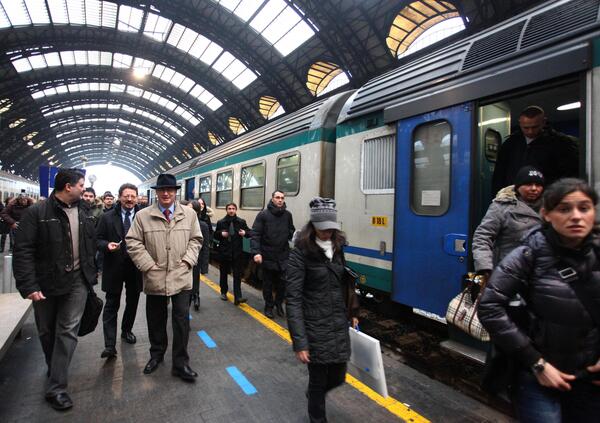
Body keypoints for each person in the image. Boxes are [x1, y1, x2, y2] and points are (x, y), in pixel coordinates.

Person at [478, 178, 600, 422]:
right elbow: (490, 305)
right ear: (546, 214)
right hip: (538, 376)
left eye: (584, 208)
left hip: (590, 377)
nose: (576, 216)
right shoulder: (528, 254)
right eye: (564, 209)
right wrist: (536, 363)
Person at [13, 169, 97, 411]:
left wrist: (92, 268)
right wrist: (28, 285)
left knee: (68, 330)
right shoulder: (36, 213)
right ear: (68, 186)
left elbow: (89, 242)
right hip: (46, 283)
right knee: (47, 331)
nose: (85, 189)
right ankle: (55, 369)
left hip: (78, 281)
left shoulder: (84, 211)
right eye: (81, 184)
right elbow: (23, 250)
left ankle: (56, 387)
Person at [286, 197, 359, 423]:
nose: (328, 232)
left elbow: (345, 283)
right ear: (314, 226)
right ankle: (317, 414)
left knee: (339, 377)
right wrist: (300, 342)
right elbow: (293, 298)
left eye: (331, 228)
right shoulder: (300, 252)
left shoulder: (337, 247)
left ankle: (314, 395)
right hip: (314, 325)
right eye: (323, 228)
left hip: (337, 322)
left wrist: (353, 312)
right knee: (318, 382)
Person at [126, 173, 202, 382]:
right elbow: (132, 242)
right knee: (156, 320)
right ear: (156, 193)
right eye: (162, 190)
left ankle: (181, 364)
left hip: (181, 277)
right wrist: (148, 266)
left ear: (176, 192)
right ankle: (156, 356)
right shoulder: (142, 216)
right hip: (155, 277)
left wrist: (188, 261)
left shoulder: (189, 214)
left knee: (181, 322)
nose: (166, 193)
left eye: (170, 190)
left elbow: (196, 239)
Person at [97, 183, 143, 359]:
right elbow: (97, 239)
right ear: (120, 197)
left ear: (137, 197)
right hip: (113, 267)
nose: (130, 199)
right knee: (111, 305)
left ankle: (126, 330)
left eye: (133, 196)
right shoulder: (106, 217)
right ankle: (109, 345)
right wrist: (106, 245)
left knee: (133, 302)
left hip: (135, 267)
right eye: (126, 196)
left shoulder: (143, 216)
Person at [473, 166, 545, 275]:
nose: (534, 188)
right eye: (528, 184)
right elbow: (482, 237)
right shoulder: (502, 206)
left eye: (538, 185)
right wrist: (485, 268)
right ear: (518, 187)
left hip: (540, 272)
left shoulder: (551, 207)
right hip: (508, 271)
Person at [491, 106, 579, 195]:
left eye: (535, 127)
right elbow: (499, 175)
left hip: (545, 199)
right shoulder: (510, 144)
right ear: (520, 123)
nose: (530, 131)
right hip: (514, 197)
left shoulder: (560, 144)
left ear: (543, 122)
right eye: (525, 127)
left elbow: (568, 175)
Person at [251, 190, 295, 318]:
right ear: (272, 199)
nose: (280, 200)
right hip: (267, 255)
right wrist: (256, 252)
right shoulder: (263, 215)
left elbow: (291, 230)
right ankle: (268, 306)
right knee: (268, 284)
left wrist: (294, 235)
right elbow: (255, 234)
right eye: (277, 197)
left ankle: (279, 304)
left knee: (282, 284)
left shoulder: (288, 215)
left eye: (282, 198)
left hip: (283, 255)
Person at [214, 203, 251, 305]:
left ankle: (238, 297)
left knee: (237, 275)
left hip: (237, 253)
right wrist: (221, 234)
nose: (231, 210)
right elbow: (215, 235)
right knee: (224, 274)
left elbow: (249, 233)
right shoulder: (221, 222)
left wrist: (245, 233)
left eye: (233, 209)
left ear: (236, 210)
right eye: (229, 208)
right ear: (226, 210)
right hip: (224, 252)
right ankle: (223, 292)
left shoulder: (241, 222)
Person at [188, 199, 212, 311]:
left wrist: (205, 266)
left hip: (197, 259)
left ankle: (196, 296)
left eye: (191, 209)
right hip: (181, 260)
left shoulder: (203, 226)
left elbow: (206, 247)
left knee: (195, 279)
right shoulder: (178, 224)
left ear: (197, 212)